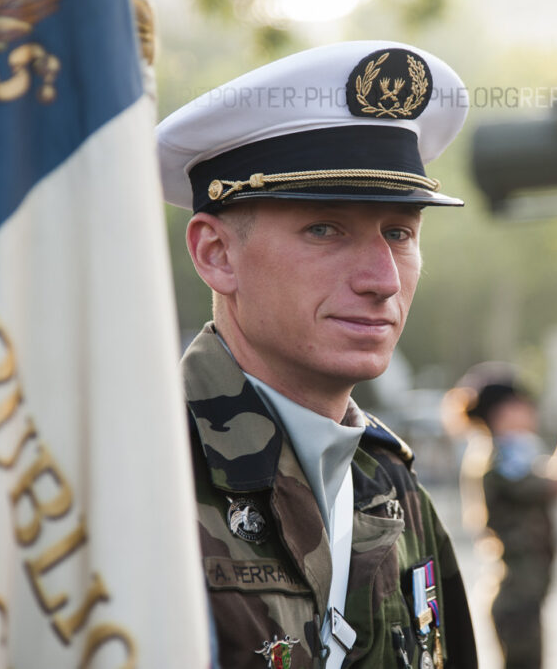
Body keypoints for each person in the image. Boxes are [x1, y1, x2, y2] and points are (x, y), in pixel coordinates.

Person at [156, 41, 477, 669]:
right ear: (216, 255)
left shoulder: (391, 484)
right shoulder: (141, 475)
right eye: (325, 229)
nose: (382, 279)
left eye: (399, 233)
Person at [447, 363, 557, 669]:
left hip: (522, 596)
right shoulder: (500, 458)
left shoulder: (508, 452)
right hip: (516, 598)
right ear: (505, 412)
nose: (532, 412)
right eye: (525, 404)